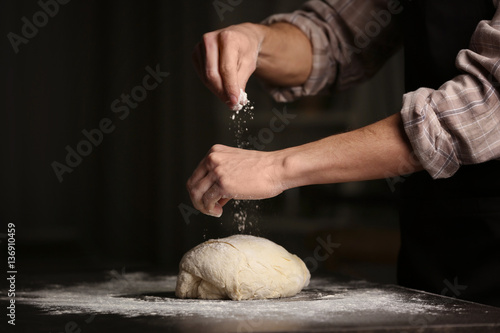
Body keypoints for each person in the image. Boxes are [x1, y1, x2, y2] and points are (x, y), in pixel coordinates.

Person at [187, 0, 500, 307]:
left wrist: (276, 167)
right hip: (433, 227)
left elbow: (485, 103)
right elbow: (335, 36)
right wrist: (257, 40)